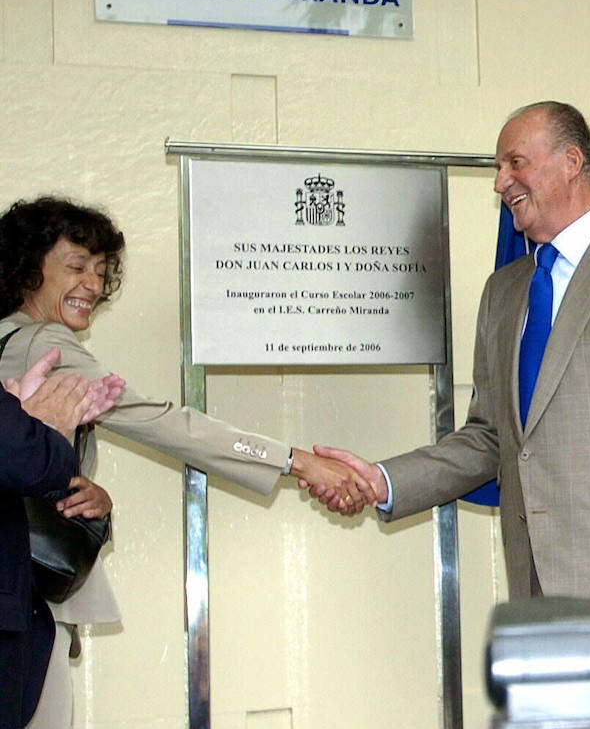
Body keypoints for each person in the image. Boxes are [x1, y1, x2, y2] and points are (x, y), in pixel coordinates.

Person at [314, 101, 590, 728]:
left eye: (515, 162)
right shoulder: (505, 291)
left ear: (572, 162)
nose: (500, 182)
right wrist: (383, 480)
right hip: (540, 591)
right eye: (498, 167)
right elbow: (491, 438)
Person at [0, 196, 372, 729]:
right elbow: (161, 421)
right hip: (24, 600)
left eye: (102, 271)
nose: (93, 285)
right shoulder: (42, 342)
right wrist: (295, 462)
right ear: (26, 267)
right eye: (76, 266)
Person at [1, 349, 121, 729]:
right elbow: (20, 458)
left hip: (31, 608)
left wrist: (95, 504)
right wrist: (31, 432)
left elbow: (24, 469)